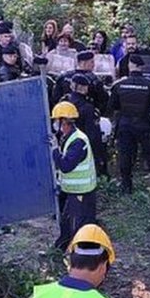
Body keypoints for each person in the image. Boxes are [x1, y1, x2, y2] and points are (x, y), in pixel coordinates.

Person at [109, 55, 150, 193]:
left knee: (125, 155)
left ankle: (126, 186)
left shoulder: (120, 85)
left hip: (125, 124)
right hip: (144, 123)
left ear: (130, 65)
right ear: (142, 67)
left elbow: (112, 105)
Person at [49, 102, 98, 250]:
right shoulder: (69, 137)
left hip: (81, 191)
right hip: (75, 191)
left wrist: (55, 150)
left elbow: (66, 166)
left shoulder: (78, 141)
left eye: (56, 121)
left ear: (64, 122)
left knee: (76, 225)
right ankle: (63, 249)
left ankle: (78, 252)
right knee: (69, 223)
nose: (55, 124)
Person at [67, 73, 107, 177]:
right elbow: (93, 136)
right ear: (84, 88)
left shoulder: (65, 102)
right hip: (83, 147)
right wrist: (99, 157)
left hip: (66, 145)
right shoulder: (87, 107)